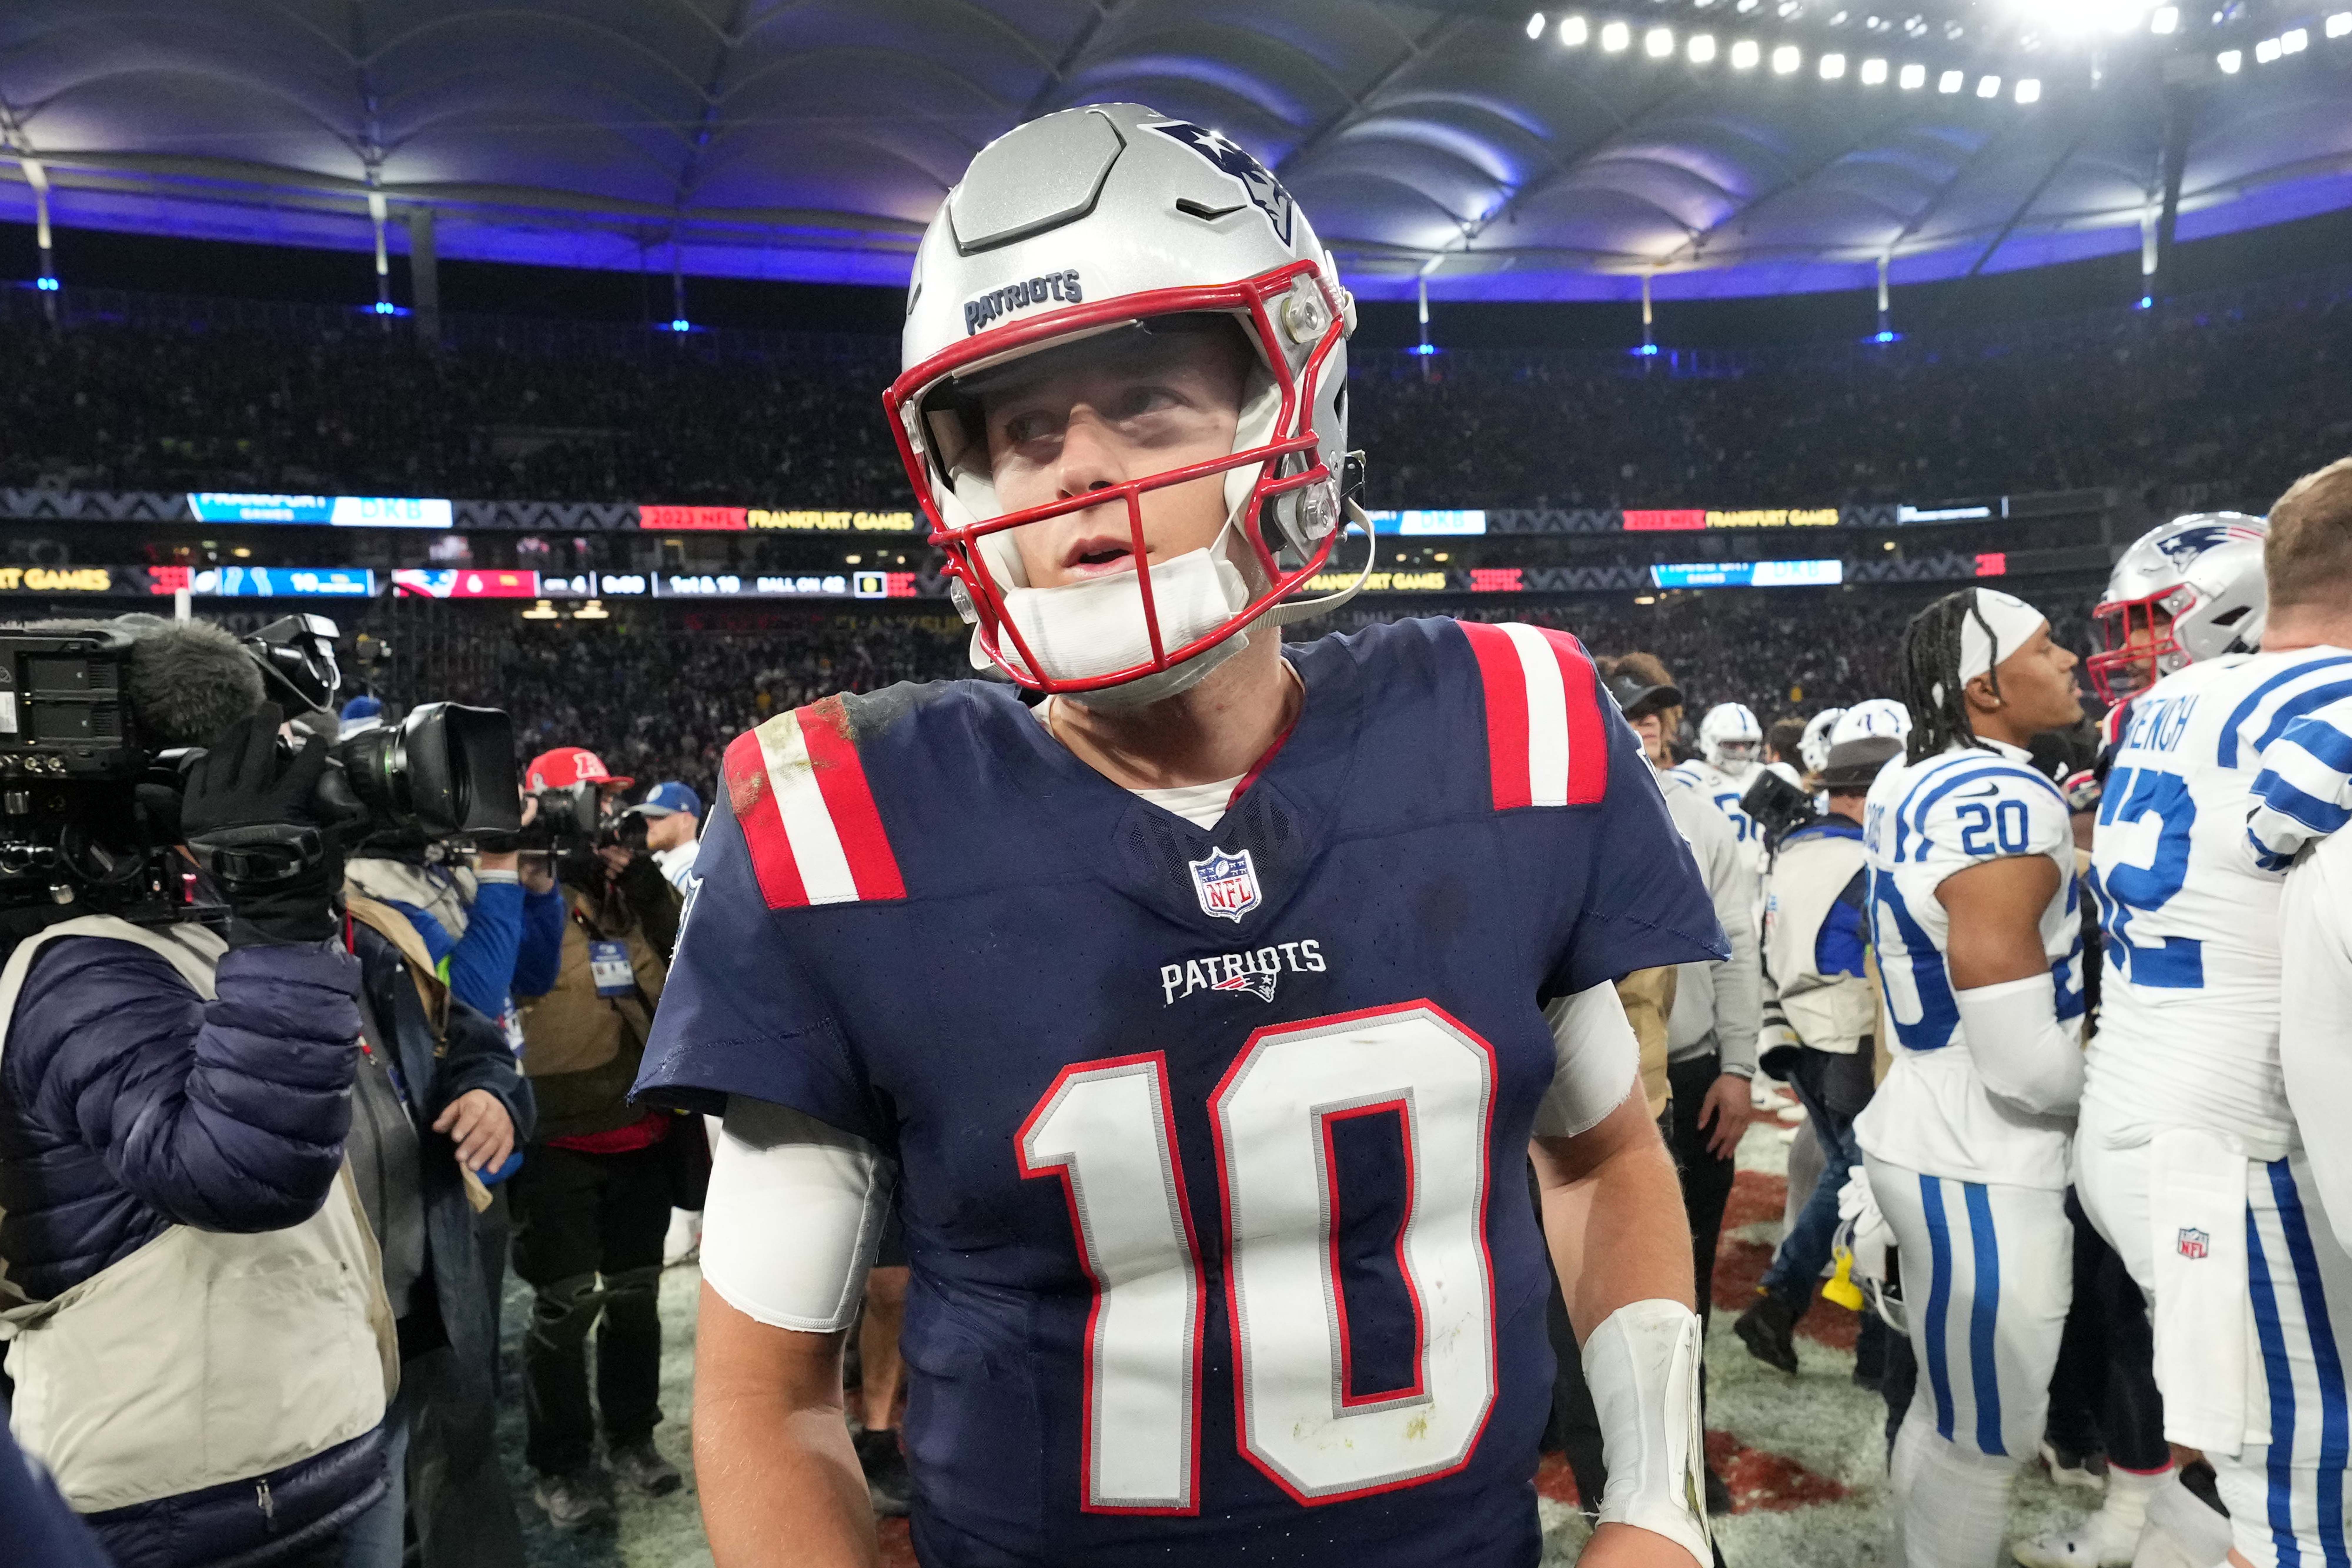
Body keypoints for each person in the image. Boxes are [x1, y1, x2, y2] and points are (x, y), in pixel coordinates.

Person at [638, 102, 1729, 1568]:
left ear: (1292, 408)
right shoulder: (833, 821)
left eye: (1146, 402)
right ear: (968, 489)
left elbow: (1599, 1163)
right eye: (1026, 431)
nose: (1081, 471)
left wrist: (1653, 1504)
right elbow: (767, 1395)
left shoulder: (1510, 722)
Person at [0, 620, 390, 1568]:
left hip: (281, 1445)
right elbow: (242, 1177)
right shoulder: (75, 964)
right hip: (182, 1486)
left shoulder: (173, 937)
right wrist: (282, 914)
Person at [2080, 475, 2352, 1568]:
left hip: (2143, 1113)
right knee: (2310, 1501)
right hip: (2236, 1156)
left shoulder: (2157, 704)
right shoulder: (2328, 702)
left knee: (2280, 1484)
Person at [1858, 587, 2089, 1568]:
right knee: (1985, 1438)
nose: (2072, 658)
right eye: (2048, 647)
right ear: (1986, 687)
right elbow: (2027, 1063)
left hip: (1933, 1123)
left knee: (1951, 1417)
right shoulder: (2002, 801)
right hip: (1987, 1149)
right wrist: (2160, 1076)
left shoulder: (1920, 776)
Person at [508, 747, 686, 1529]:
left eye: (610, 800)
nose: (605, 816)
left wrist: (639, 878)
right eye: (590, 801)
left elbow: (686, 956)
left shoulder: (631, 885)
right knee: (564, 1303)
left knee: (637, 1293)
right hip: (556, 1129)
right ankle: (562, 1459)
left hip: (644, 1119)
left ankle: (632, 1434)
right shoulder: (519, 881)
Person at [1596, 655, 1758, 1517]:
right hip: (1586, 1076)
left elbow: (1737, 946)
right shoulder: (1561, 811)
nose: (1645, 723)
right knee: (1572, 1272)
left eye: (1657, 709)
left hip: (1686, 1067)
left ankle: (1678, 1455)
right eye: (1629, 711)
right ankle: (1587, 1431)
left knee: (1679, 1278)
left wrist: (1738, 1065)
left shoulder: (1701, 815)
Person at [337, 879, 535, 1568]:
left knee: (459, 1482)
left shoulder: (379, 925)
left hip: (426, 1292)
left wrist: (490, 1093)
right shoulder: (141, 949)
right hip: (302, 1343)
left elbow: (472, 1037)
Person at [1734, 734, 1893, 1374]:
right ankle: (1842, 1327)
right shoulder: (1860, 860)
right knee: (1870, 1185)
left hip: (1796, 1037)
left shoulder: (1792, 852)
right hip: (1850, 1038)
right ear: (1865, 795)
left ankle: (1794, 1310)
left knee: (1848, 1179)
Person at [1671, 701, 1766, 845]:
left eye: (1747, 744)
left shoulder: (1766, 775)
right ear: (1710, 742)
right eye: (1731, 745)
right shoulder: (1690, 777)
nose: (1741, 752)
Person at [627, 782, 706, 893]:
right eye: (647, 816)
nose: (649, 822)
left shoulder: (700, 873)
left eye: (658, 816)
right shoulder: (653, 861)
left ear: (686, 821)